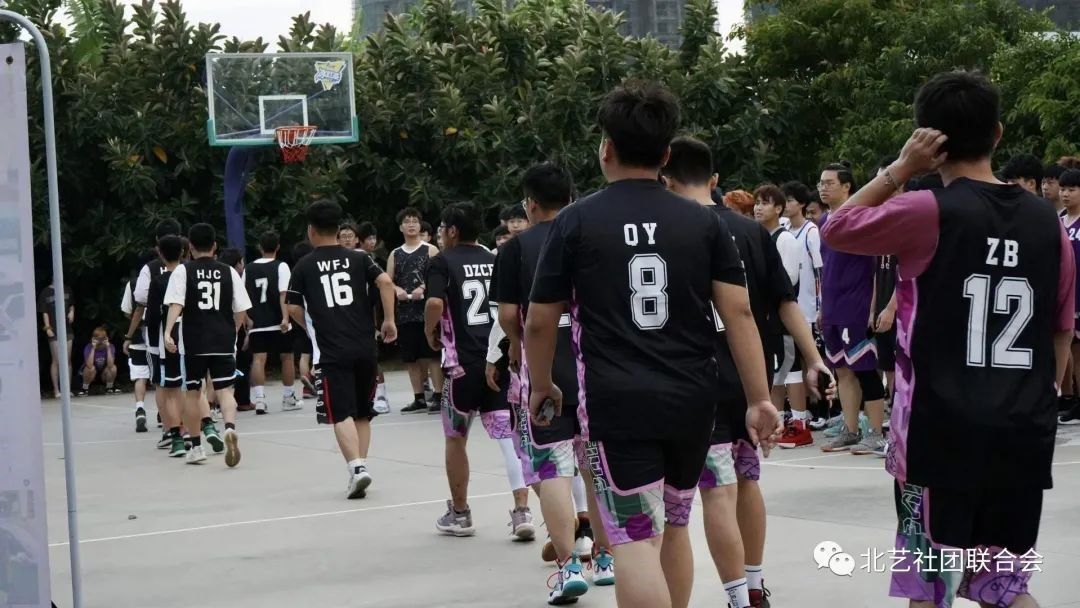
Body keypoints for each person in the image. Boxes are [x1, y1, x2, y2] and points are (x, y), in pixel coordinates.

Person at [822, 69, 1074, 608]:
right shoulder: (1048, 222)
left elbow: (837, 228)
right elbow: (1060, 329)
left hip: (938, 431)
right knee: (1004, 588)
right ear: (997, 134)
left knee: (929, 586)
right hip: (1021, 429)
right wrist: (1040, 400)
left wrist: (900, 168)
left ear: (928, 141)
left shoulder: (927, 209)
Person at [526, 84, 781, 608]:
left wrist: (542, 382)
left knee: (635, 539)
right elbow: (739, 313)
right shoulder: (704, 221)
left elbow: (538, 321)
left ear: (606, 149)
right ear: (666, 155)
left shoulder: (577, 219)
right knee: (677, 523)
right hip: (694, 399)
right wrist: (759, 397)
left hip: (618, 401)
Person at [662, 136, 831, 608]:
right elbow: (785, 300)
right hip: (749, 375)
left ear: (665, 179)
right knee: (747, 479)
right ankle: (754, 586)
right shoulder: (751, 232)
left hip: (696, 376)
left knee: (716, 492)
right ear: (714, 180)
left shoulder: (670, 232)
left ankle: (738, 596)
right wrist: (814, 357)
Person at [495, 162, 608, 603]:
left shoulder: (515, 249)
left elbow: (509, 314)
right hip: (593, 368)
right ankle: (605, 557)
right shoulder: (591, 238)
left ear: (530, 204)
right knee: (594, 466)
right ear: (572, 198)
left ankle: (568, 567)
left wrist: (517, 344)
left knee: (552, 469)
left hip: (544, 372)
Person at [425, 202, 533, 539]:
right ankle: (522, 511)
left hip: (462, 365)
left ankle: (460, 513)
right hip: (498, 358)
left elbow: (434, 302)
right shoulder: (494, 257)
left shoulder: (441, 262)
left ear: (452, 230)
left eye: (442, 228)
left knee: (456, 437)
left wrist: (429, 331)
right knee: (509, 438)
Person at [287, 201, 398, 499]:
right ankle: (360, 467)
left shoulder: (304, 265)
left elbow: (293, 306)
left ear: (311, 230)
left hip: (331, 350)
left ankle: (357, 469)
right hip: (364, 345)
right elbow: (386, 282)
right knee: (362, 413)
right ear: (339, 230)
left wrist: (310, 327)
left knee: (340, 413)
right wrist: (388, 320)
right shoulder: (359, 258)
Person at [163, 223, 251, 467]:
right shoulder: (228, 271)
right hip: (223, 339)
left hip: (194, 341)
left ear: (190, 247)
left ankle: (196, 446)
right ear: (214, 246)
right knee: (225, 390)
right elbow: (241, 309)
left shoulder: (183, 271)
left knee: (193, 393)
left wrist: (168, 332)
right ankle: (229, 427)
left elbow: (176, 304)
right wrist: (233, 330)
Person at [817, 161, 888, 455]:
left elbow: (876, 269)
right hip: (832, 306)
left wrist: (873, 307)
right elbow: (825, 268)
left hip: (856, 305)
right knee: (842, 371)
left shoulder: (861, 218)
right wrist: (822, 306)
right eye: (821, 183)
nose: (823, 188)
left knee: (865, 369)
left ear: (847, 186)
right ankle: (850, 429)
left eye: (829, 183)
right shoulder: (823, 221)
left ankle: (876, 432)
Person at [754, 185, 805, 429]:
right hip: (766, 316)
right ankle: (779, 422)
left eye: (764, 203)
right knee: (775, 374)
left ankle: (798, 423)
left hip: (781, 315)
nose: (758, 208)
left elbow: (789, 278)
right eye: (757, 203)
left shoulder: (784, 238)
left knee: (787, 371)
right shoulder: (760, 237)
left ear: (778, 208)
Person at [129, 219, 184, 444]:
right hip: (187, 334)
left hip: (159, 336)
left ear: (157, 247)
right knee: (185, 381)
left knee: (161, 382)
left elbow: (141, 299)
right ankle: (189, 426)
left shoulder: (151, 270)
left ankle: (168, 429)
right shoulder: (188, 270)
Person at [779, 180, 823, 443]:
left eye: (790, 200)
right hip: (790, 306)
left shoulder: (811, 231)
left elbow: (819, 271)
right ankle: (801, 411)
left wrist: (821, 304)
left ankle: (819, 409)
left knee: (809, 360)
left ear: (802, 203)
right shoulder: (785, 229)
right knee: (792, 361)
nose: (786, 205)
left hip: (807, 306)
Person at [389, 208, 443, 414]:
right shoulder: (395, 253)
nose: (411, 224)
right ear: (400, 227)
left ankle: (438, 395)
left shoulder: (430, 250)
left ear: (420, 225)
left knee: (433, 355)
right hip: (405, 312)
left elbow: (439, 277)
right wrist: (397, 290)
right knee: (410, 358)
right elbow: (388, 281)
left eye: (414, 221)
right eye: (407, 221)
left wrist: (423, 287)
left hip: (427, 310)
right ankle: (418, 397)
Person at [243, 231, 300, 414]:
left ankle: (259, 399)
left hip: (257, 321)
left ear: (259, 247)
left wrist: (247, 319)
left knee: (258, 359)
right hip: (278, 320)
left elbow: (243, 296)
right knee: (287, 357)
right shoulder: (281, 266)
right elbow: (284, 294)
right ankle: (288, 397)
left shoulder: (248, 268)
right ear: (278, 247)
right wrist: (285, 317)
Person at [146, 235, 189, 457]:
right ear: (183, 252)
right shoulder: (190, 276)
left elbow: (153, 316)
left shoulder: (159, 281)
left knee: (168, 388)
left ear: (160, 254)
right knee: (188, 387)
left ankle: (173, 433)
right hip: (191, 337)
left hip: (167, 339)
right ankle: (190, 429)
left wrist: (154, 340)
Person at [121, 249, 157, 432]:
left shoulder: (133, 283)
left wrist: (129, 335)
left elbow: (128, 310)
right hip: (158, 334)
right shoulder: (167, 278)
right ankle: (163, 413)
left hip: (137, 335)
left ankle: (140, 409)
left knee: (140, 376)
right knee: (160, 377)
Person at [1058, 168, 1080, 425]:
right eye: (1063, 189)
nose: (1065, 194)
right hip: (1063, 292)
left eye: (1071, 189)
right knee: (1068, 344)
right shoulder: (1058, 220)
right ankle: (1068, 396)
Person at [39, 280, 73, 399]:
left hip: (67, 330)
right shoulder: (46, 292)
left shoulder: (67, 289)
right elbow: (44, 312)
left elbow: (71, 304)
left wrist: (72, 312)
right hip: (54, 330)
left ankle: (67, 389)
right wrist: (47, 327)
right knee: (56, 360)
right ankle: (56, 390)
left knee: (67, 360)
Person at [291, 241, 316, 400]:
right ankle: (311, 376)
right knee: (322, 352)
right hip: (312, 317)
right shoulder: (311, 270)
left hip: (298, 318)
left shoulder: (295, 272)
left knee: (304, 355)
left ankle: (306, 388)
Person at [78, 327, 118, 395]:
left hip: (104, 374)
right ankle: (84, 388)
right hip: (92, 374)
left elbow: (110, 365)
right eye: (98, 338)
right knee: (90, 368)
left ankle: (109, 387)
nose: (101, 340)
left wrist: (108, 348)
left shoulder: (111, 346)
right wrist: (93, 348)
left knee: (113, 368)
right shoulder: (88, 347)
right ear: (93, 338)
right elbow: (89, 365)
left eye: (103, 338)